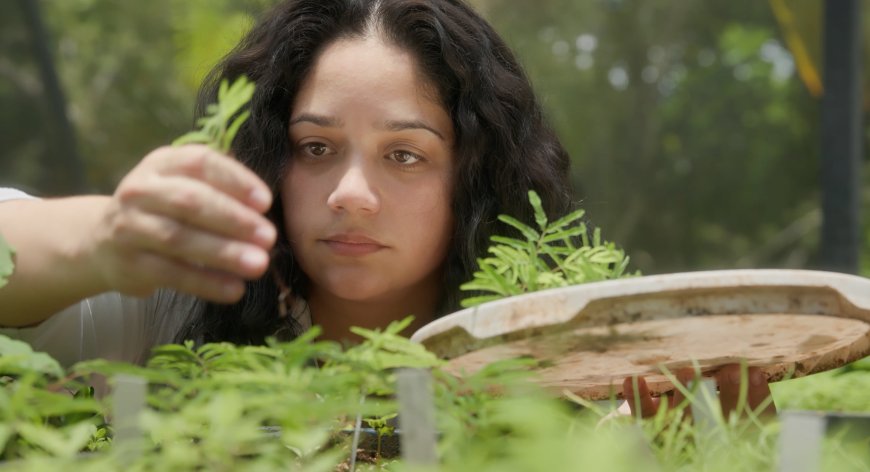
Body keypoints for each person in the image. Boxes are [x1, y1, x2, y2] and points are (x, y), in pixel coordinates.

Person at [0, 0, 771, 419]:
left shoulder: (562, 366)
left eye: (405, 155)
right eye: (315, 148)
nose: (350, 194)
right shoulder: (172, 310)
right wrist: (99, 240)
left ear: (475, 174)